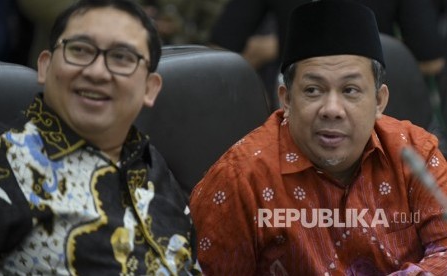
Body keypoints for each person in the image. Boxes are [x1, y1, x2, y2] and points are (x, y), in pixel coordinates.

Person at [190, 0, 447, 274]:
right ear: (286, 100)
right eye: (313, 90)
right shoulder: (239, 181)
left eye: (350, 90)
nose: (332, 110)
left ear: (379, 101)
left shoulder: (415, 153)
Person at [0, 0, 201, 275]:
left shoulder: (150, 162)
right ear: (45, 67)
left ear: (150, 88)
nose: (97, 72)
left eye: (122, 57)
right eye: (80, 50)